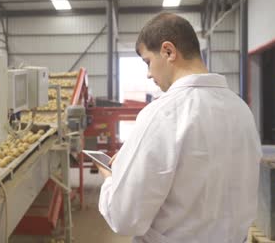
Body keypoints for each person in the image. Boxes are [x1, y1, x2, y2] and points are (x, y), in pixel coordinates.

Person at [94, 13, 262, 243]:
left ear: (168, 51)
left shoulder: (163, 113)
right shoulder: (241, 109)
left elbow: (125, 217)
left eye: (147, 61)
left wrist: (111, 179)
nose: (148, 73)